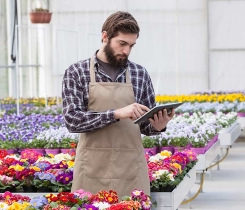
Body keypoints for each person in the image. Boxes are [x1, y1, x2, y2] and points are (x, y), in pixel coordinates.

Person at [62, 11, 174, 198]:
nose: (126, 51)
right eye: (122, 44)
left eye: (131, 45)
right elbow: (73, 121)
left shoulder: (140, 73)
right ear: (105, 36)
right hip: (91, 167)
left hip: (130, 168)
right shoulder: (77, 72)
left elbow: (145, 125)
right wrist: (116, 113)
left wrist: (158, 126)